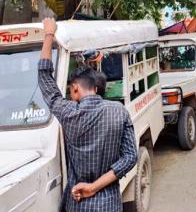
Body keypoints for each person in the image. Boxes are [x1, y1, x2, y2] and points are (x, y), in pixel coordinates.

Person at [38, 18, 137, 212]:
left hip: (78, 203)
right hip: (109, 204)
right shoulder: (119, 110)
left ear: (75, 88)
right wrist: (94, 187)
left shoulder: (68, 113)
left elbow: (44, 76)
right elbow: (130, 157)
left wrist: (49, 34)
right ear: (97, 88)